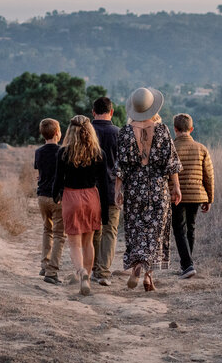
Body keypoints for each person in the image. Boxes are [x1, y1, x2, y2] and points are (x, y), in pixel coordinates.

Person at [114, 87, 181, 292]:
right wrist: (176, 187)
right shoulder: (162, 131)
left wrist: (118, 191)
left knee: (136, 231)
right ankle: (148, 277)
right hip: (158, 189)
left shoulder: (125, 133)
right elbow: (171, 163)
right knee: (155, 234)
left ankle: (136, 268)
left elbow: (120, 167)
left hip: (134, 190)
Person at [52, 115, 111, 296]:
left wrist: (56, 196)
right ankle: (89, 273)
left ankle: (81, 273)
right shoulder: (99, 154)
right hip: (92, 197)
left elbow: (58, 180)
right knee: (88, 242)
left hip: (71, 197)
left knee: (74, 243)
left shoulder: (63, 153)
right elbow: (104, 184)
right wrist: (105, 211)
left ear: (70, 131)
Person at [171, 113, 214, 279]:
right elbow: (208, 176)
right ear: (191, 129)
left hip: (176, 195)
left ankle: (187, 265)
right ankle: (187, 264)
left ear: (175, 129)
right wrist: (209, 198)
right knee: (191, 227)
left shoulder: (171, 148)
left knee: (179, 229)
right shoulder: (201, 148)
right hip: (197, 195)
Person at [90, 96, 121, 286]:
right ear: (112, 112)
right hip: (112, 189)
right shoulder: (119, 133)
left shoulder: (86, 132)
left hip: (89, 190)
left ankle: (92, 267)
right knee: (110, 231)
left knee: (93, 229)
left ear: (93, 112)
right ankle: (103, 272)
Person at [34, 118, 65, 284]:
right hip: (57, 198)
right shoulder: (62, 152)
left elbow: (40, 173)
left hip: (41, 196)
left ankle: (44, 264)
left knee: (47, 230)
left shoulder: (38, 152)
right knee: (60, 234)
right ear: (57, 133)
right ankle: (52, 272)